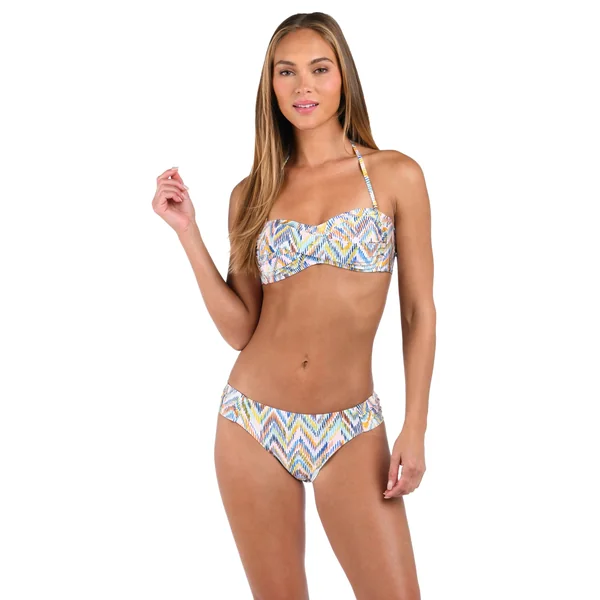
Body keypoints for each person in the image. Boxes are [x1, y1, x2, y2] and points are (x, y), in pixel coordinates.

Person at [152, 11, 435, 600]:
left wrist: (415, 427)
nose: (303, 86)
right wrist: (187, 233)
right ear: (271, 85)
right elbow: (240, 329)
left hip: (350, 429)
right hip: (252, 423)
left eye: (319, 69)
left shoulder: (395, 175)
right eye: (287, 72)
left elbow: (417, 311)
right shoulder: (252, 192)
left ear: (343, 77)